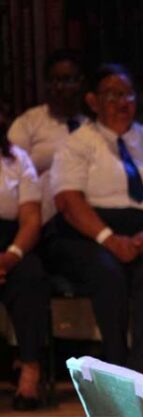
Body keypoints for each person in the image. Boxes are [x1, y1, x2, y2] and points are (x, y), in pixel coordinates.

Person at [49, 64, 143, 376]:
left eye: (128, 94)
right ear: (93, 101)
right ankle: (115, 368)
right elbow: (69, 201)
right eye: (112, 95)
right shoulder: (77, 143)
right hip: (91, 234)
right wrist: (108, 239)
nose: (123, 102)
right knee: (107, 272)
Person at [0, 104, 49, 411]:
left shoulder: (18, 159)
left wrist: (11, 256)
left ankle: (30, 370)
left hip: (10, 245)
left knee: (31, 276)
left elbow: (31, 219)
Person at [8, 50, 87, 225]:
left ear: (80, 83)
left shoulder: (91, 127)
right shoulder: (29, 122)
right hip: (41, 213)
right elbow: (8, 172)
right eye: (53, 80)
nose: (58, 87)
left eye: (66, 80)